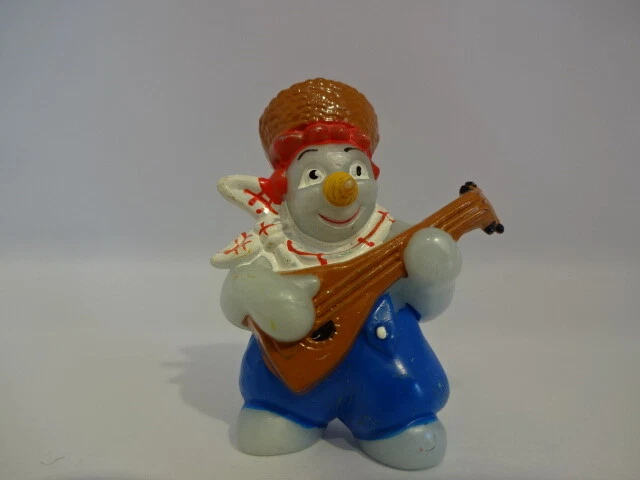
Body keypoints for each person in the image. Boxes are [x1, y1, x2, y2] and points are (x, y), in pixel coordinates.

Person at [211, 78, 462, 470]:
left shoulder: (397, 239)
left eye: (356, 169)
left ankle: (397, 422)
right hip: (289, 379)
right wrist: (254, 289)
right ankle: (282, 413)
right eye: (314, 175)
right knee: (274, 414)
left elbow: (427, 305)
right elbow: (234, 303)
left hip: (385, 377)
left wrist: (436, 274)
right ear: (285, 188)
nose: (341, 188)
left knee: (406, 423)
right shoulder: (272, 244)